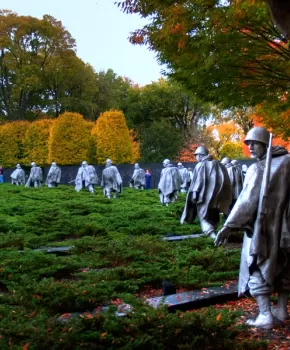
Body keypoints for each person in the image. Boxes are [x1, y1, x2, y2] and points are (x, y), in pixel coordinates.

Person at [215, 127, 290, 329]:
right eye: (247, 143)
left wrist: (229, 225)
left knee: (257, 265)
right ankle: (282, 310)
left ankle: (265, 315)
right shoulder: (288, 161)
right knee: (285, 268)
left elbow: (246, 202)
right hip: (285, 231)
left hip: (263, 229)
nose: (249, 147)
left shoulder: (258, 169)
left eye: (254, 143)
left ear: (265, 144)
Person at [181, 146, 232, 239]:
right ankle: (218, 233)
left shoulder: (200, 165)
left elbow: (198, 181)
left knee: (202, 217)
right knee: (213, 214)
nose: (196, 158)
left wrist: (195, 193)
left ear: (200, 156)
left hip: (203, 197)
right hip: (216, 197)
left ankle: (213, 236)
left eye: (196, 155)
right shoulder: (218, 164)